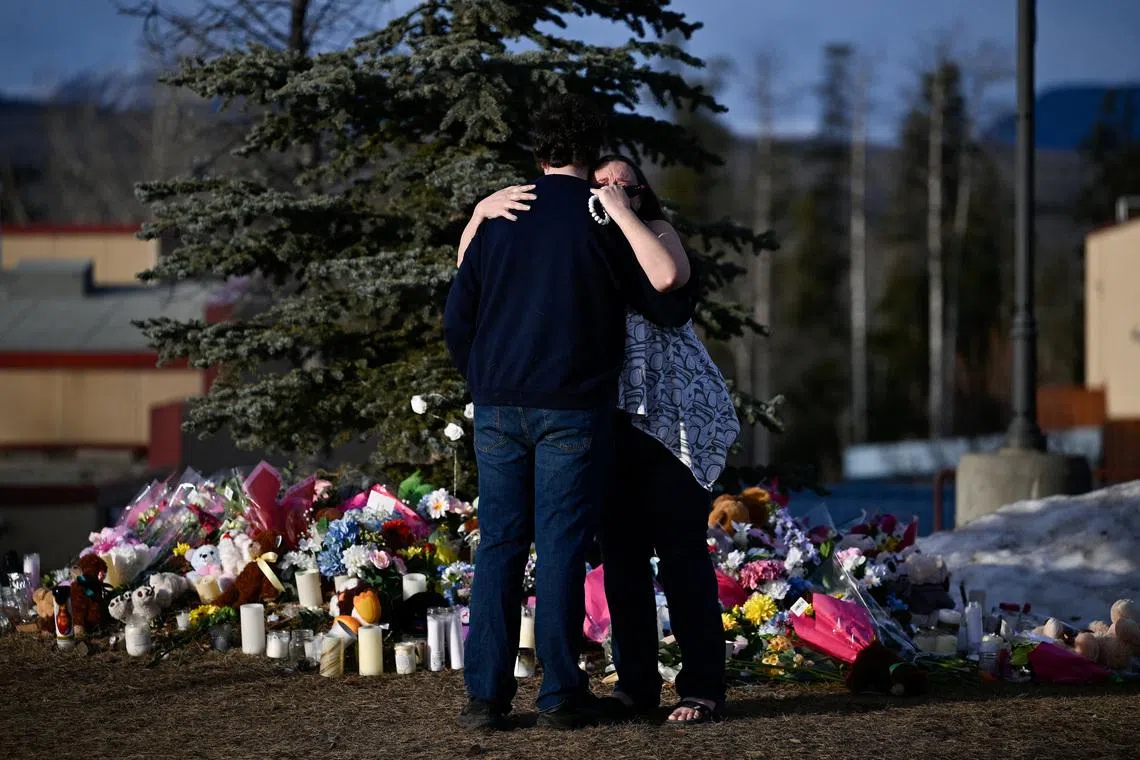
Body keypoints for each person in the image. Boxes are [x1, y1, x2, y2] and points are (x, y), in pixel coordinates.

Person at [462, 155, 738, 724]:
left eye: (626, 186)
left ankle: (701, 688)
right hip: (604, 419)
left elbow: (667, 291)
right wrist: (479, 214)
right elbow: (477, 270)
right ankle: (636, 686)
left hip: (670, 422)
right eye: (602, 183)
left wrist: (623, 214)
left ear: (642, 195)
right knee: (621, 557)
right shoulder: (587, 237)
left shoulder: (654, 233)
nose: (611, 191)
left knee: (681, 554)